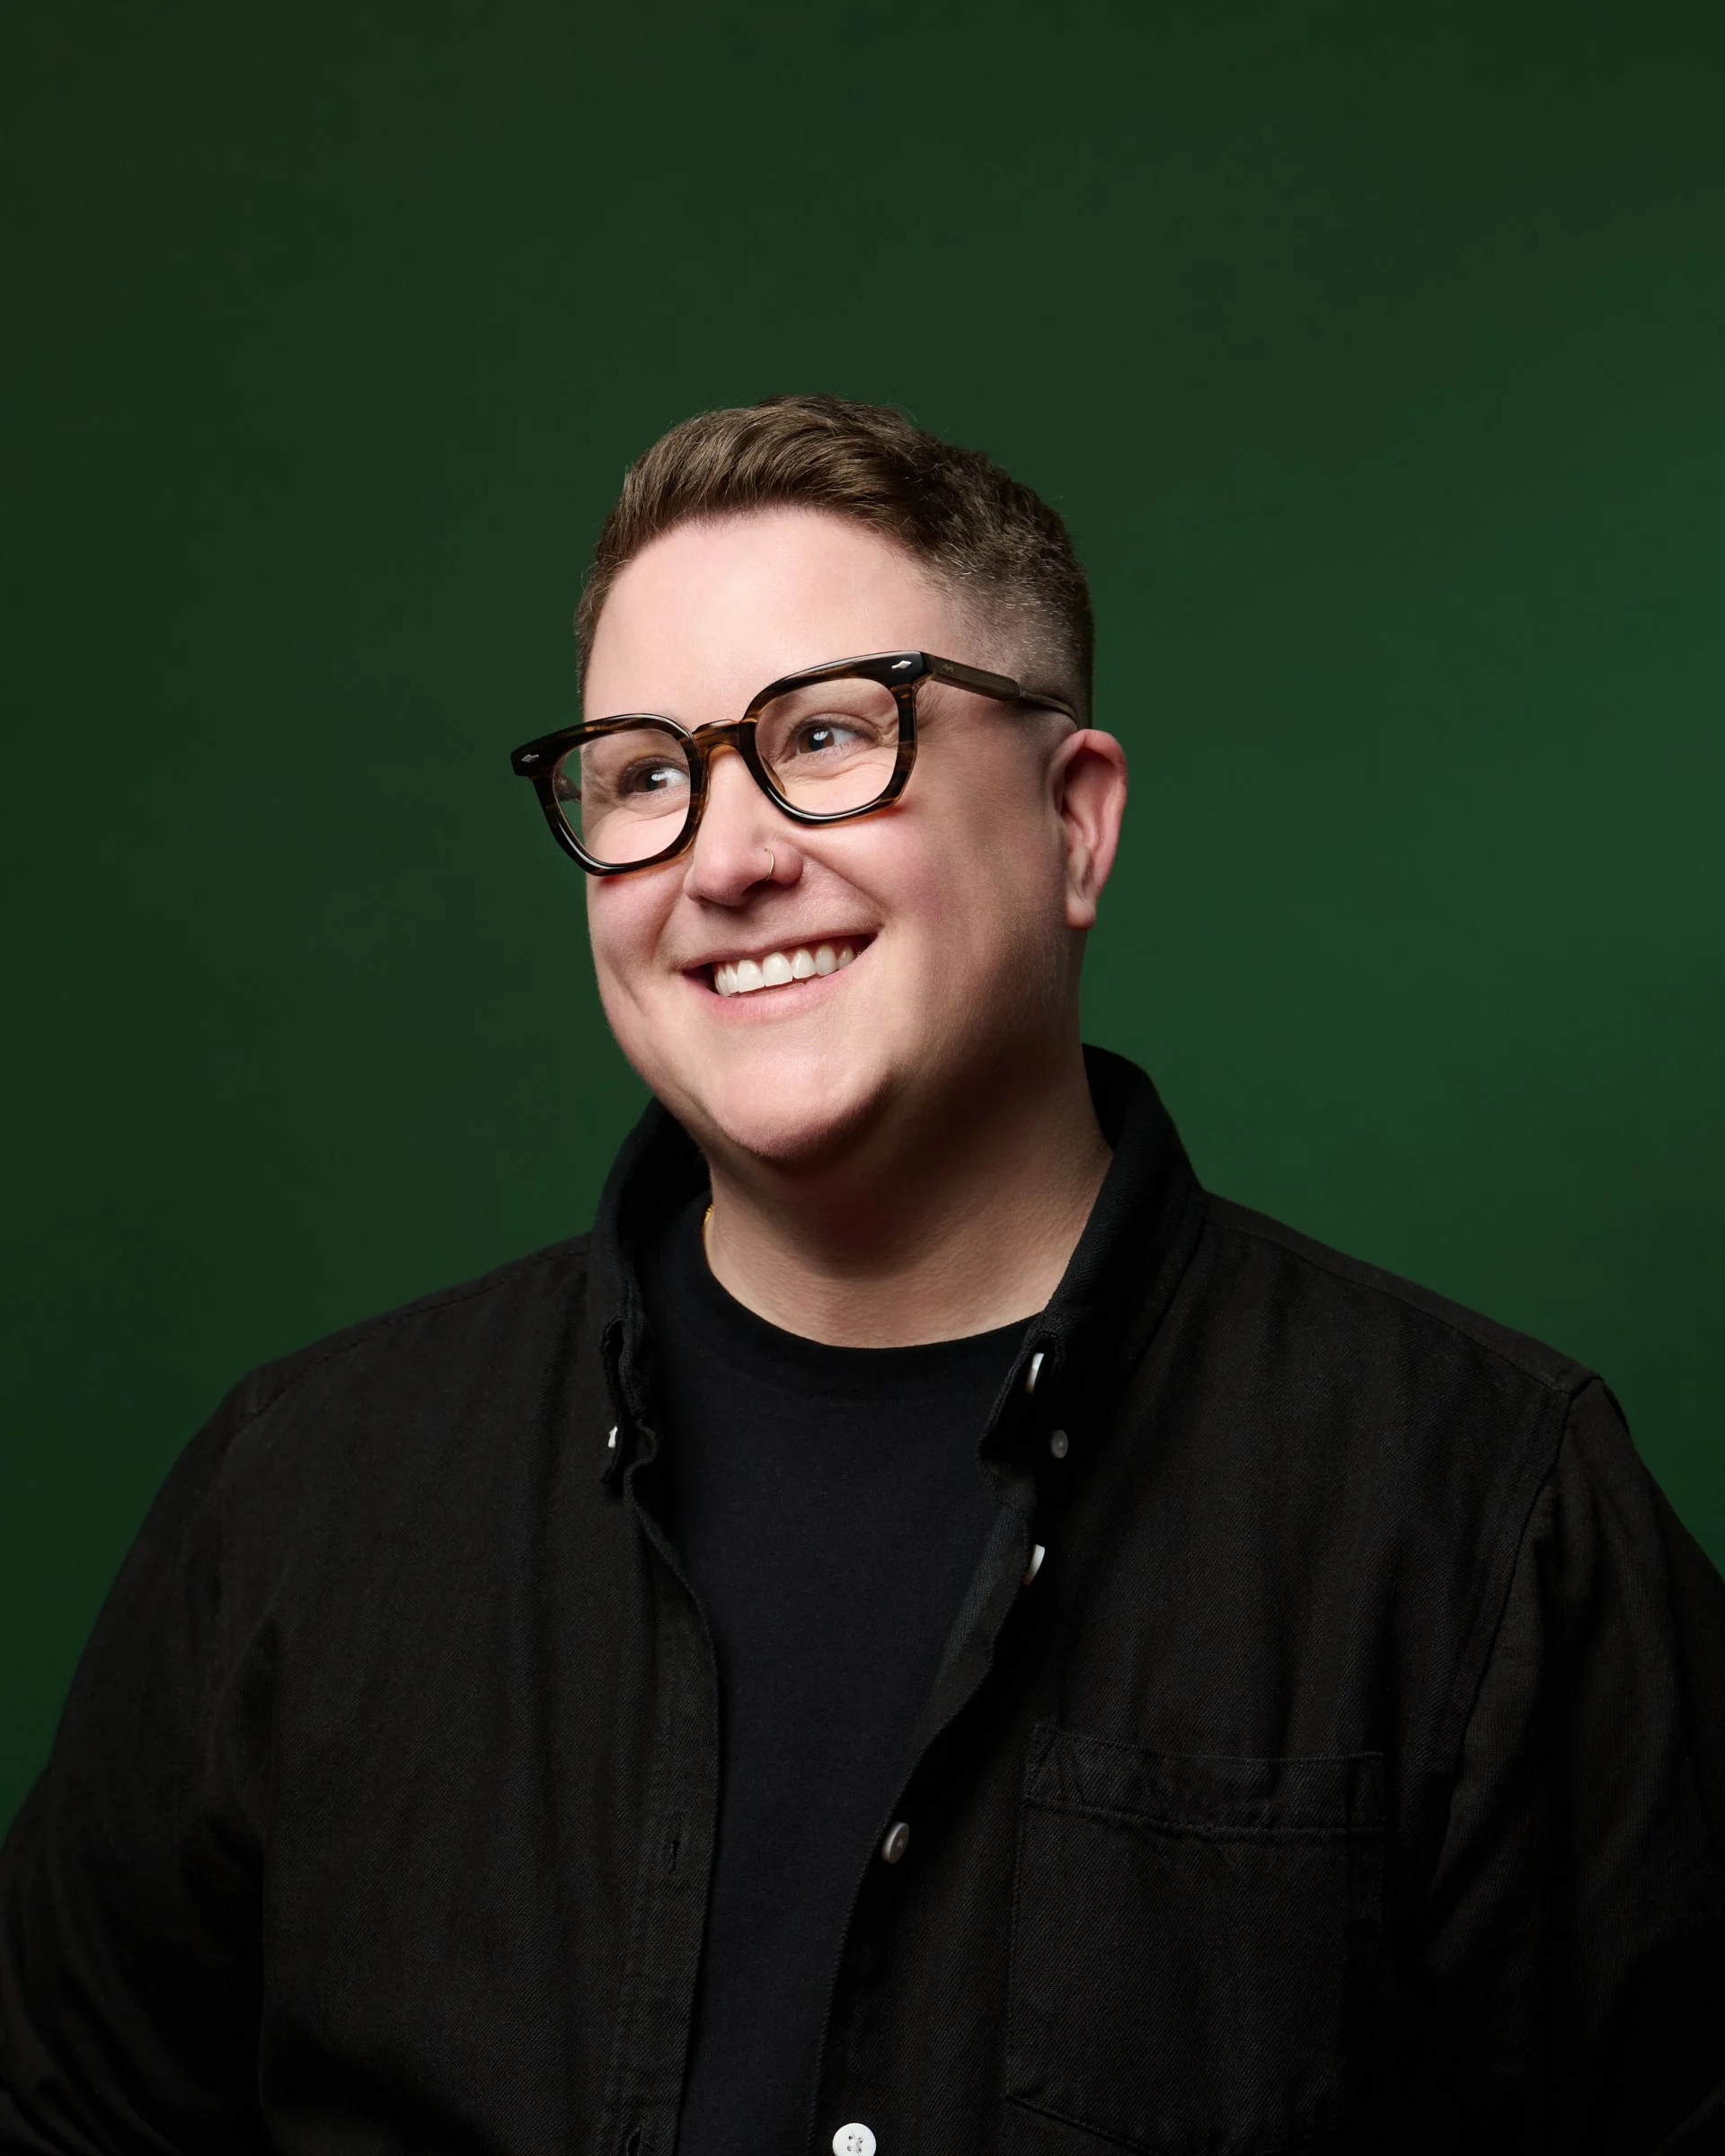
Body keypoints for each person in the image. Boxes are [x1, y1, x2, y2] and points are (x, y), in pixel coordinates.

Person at [2, 393, 1721, 2156]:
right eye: (647, 776)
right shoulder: (302, 1501)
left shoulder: (1484, 1511)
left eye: (828, 736)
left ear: (1076, 823)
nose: (729, 860)